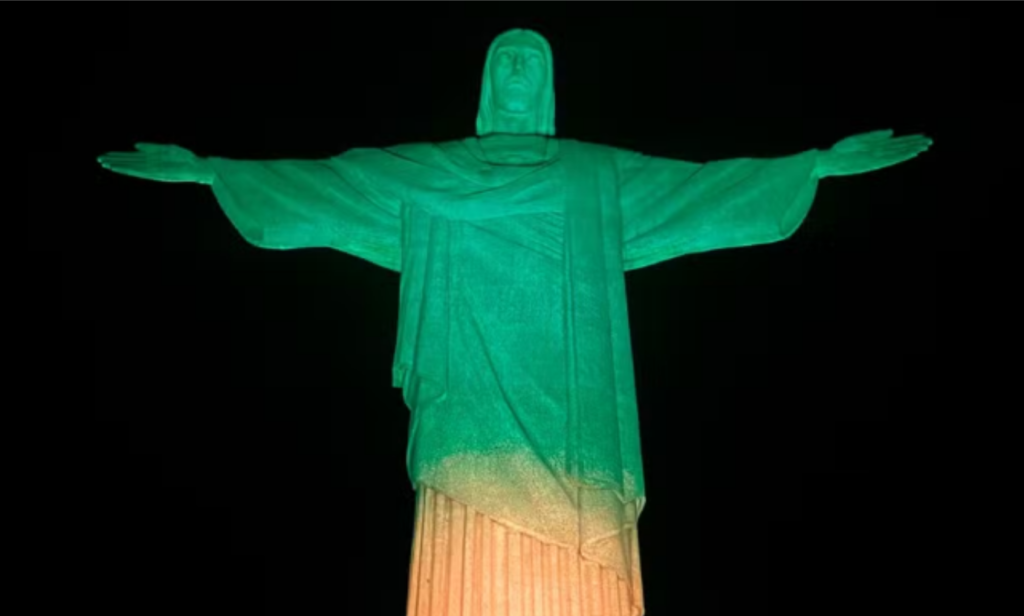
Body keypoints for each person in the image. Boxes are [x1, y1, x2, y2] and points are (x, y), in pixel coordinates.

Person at [98, 28, 931, 616]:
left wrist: (814, 165)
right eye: (509, 60)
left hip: (577, 436)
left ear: (551, 83)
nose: (522, 72)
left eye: (535, 61)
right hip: (469, 426)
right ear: (489, 81)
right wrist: (212, 173)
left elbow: (703, 191)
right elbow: (324, 187)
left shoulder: (593, 178)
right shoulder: (432, 173)